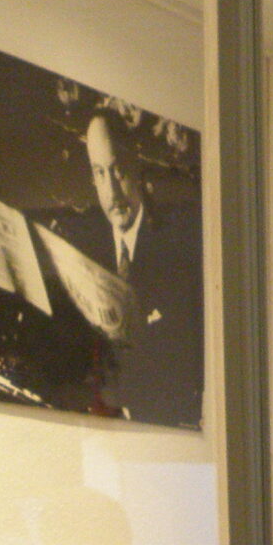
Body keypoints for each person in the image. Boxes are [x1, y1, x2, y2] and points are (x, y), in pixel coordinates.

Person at [57, 112, 203, 427]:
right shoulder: (82, 244)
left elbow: (188, 366)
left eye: (118, 171)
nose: (112, 192)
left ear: (136, 166)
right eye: (99, 173)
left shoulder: (179, 245)